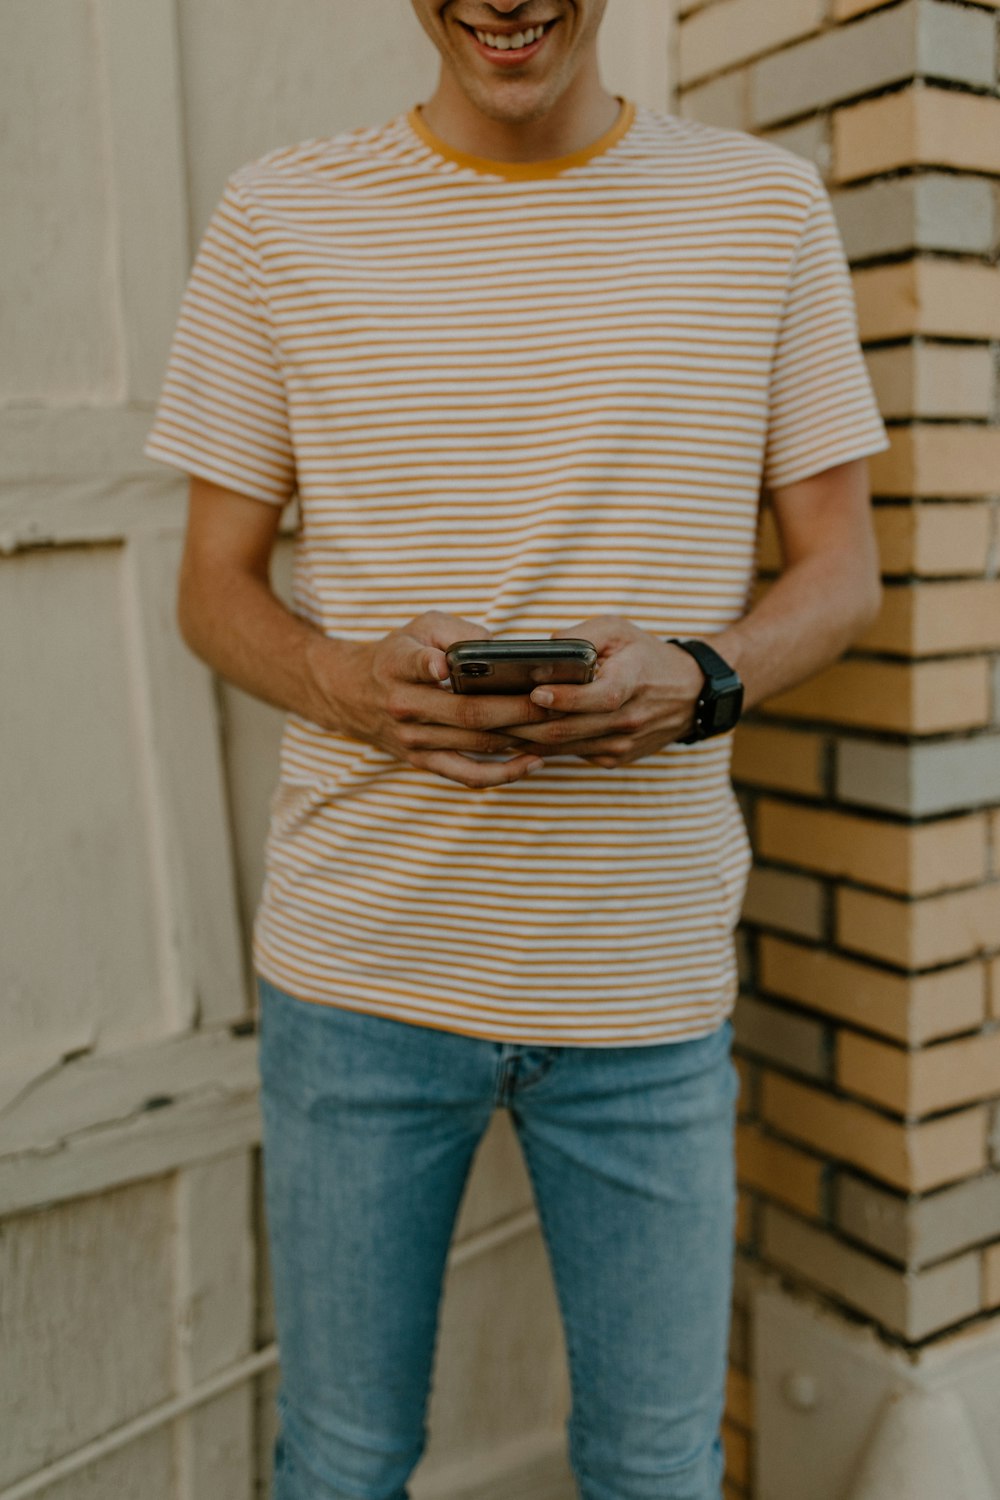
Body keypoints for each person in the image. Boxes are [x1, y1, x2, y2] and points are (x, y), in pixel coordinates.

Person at [144, 3, 888, 1496]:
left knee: (658, 1466)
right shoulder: (281, 213)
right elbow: (209, 589)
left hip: (648, 981)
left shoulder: (762, 209)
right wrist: (342, 682)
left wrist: (704, 672)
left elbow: (845, 574)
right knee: (343, 1461)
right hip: (359, 973)